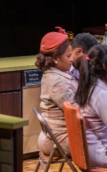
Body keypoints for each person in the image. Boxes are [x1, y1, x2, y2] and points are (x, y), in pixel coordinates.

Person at [34, 28, 77, 156]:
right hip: (60, 140)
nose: (72, 59)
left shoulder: (56, 74)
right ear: (56, 59)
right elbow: (77, 111)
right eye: (68, 56)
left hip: (56, 137)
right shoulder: (57, 82)